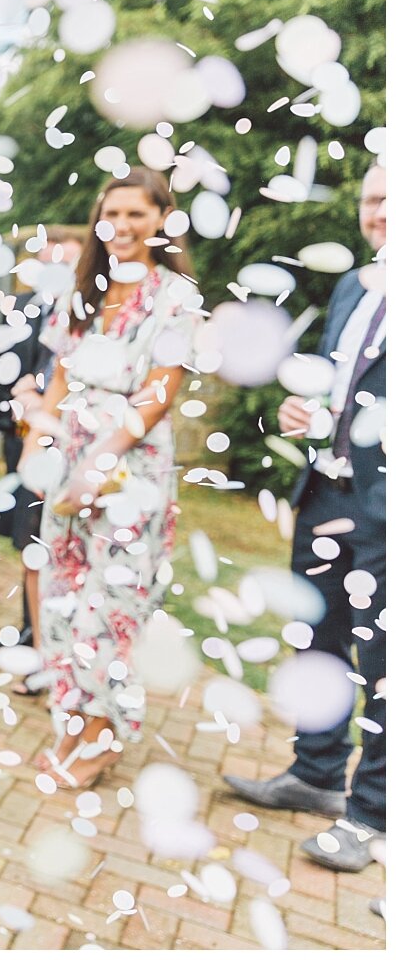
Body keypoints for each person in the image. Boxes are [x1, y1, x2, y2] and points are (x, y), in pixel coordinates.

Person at [224, 162, 386, 874]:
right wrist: (306, 413)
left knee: (382, 661)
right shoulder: (354, 284)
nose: (379, 210)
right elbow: (332, 380)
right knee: (316, 637)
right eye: (372, 197)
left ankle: (372, 811)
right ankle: (316, 773)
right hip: (327, 489)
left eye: (392, 197)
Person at [20, 167, 202, 790]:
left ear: (161, 221)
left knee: (112, 604)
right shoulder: (87, 290)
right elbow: (61, 379)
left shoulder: (176, 297)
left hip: (130, 469)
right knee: (63, 596)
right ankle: (71, 715)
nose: (122, 227)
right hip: (69, 459)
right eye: (113, 214)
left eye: (136, 215)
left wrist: (100, 461)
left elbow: (158, 394)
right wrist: (45, 438)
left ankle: (105, 728)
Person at [0, 227, 84, 692]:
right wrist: (22, 393)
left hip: (80, 452)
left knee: (66, 555)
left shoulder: (93, 313)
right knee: (31, 550)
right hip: (30, 441)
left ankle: (64, 656)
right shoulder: (29, 308)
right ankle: (34, 637)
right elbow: (11, 367)